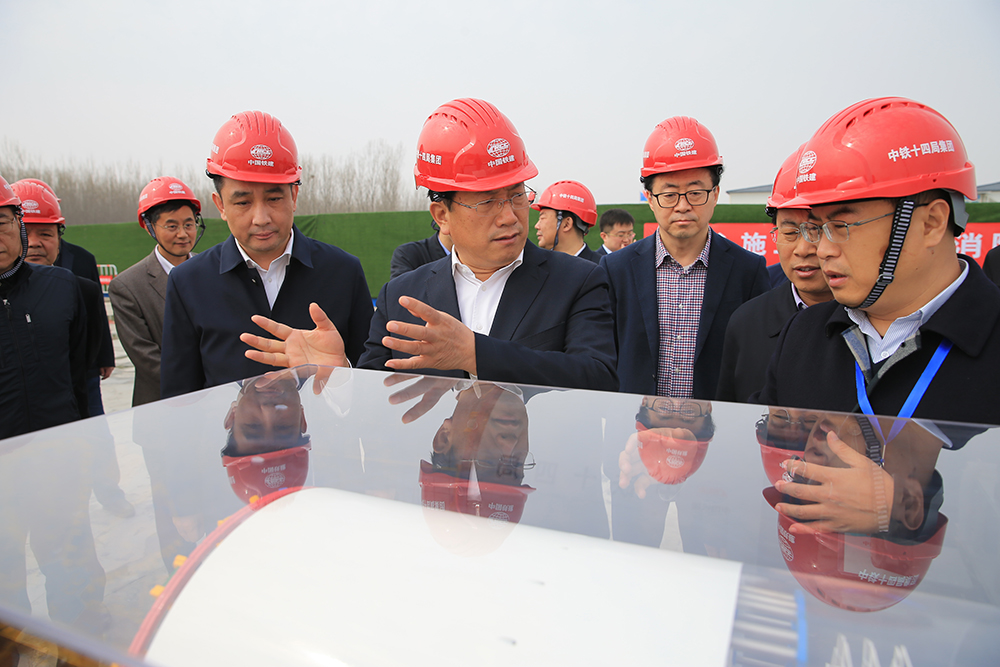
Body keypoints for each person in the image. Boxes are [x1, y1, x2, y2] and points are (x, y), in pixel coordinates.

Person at [241, 98, 618, 392]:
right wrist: (340, 375)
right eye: (487, 201)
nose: (509, 216)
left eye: (517, 195)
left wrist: (477, 354)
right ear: (442, 215)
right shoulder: (401, 298)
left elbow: (600, 378)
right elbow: (376, 408)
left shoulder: (578, 281)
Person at [755, 97, 1000, 426]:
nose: (822, 250)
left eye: (841, 226)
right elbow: (770, 442)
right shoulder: (802, 334)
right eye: (818, 227)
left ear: (931, 223)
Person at [160, 110, 374, 398]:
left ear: (294, 196)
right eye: (243, 202)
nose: (261, 218)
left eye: (274, 198)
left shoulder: (343, 272)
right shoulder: (188, 282)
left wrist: (342, 373)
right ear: (220, 205)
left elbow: (371, 390)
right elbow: (178, 399)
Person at [601, 116, 769, 399]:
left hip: (717, 423)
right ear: (650, 198)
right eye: (669, 194)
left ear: (715, 194)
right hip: (635, 422)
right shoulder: (616, 269)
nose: (682, 206)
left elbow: (756, 361)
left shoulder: (748, 270)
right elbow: (606, 356)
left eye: (695, 192)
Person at [716, 147, 834, 402]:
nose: (803, 249)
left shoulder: (879, 321)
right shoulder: (746, 322)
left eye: (816, 231)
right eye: (790, 233)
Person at [13, 179, 116, 414]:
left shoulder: (82, 273)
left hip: (81, 380)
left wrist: (104, 357)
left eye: (45, 233)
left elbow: (97, 317)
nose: (34, 243)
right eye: (25, 232)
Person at [0, 174, 89, 438]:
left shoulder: (62, 286)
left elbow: (79, 375)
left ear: (18, 223)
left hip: (61, 444)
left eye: (1, 223)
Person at [109, 177, 204, 406]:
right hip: (161, 405)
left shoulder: (214, 271)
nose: (183, 234)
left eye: (189, 224)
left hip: (217, 402)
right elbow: (145, 356)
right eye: (172, 226)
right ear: (149, 226)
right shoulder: (128, 286)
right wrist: (202, 386)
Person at [531, 180, 600, 262]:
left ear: (567, 224)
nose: (537, 226)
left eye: (542, 218)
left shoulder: (602, 267)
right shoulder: (537, 266)